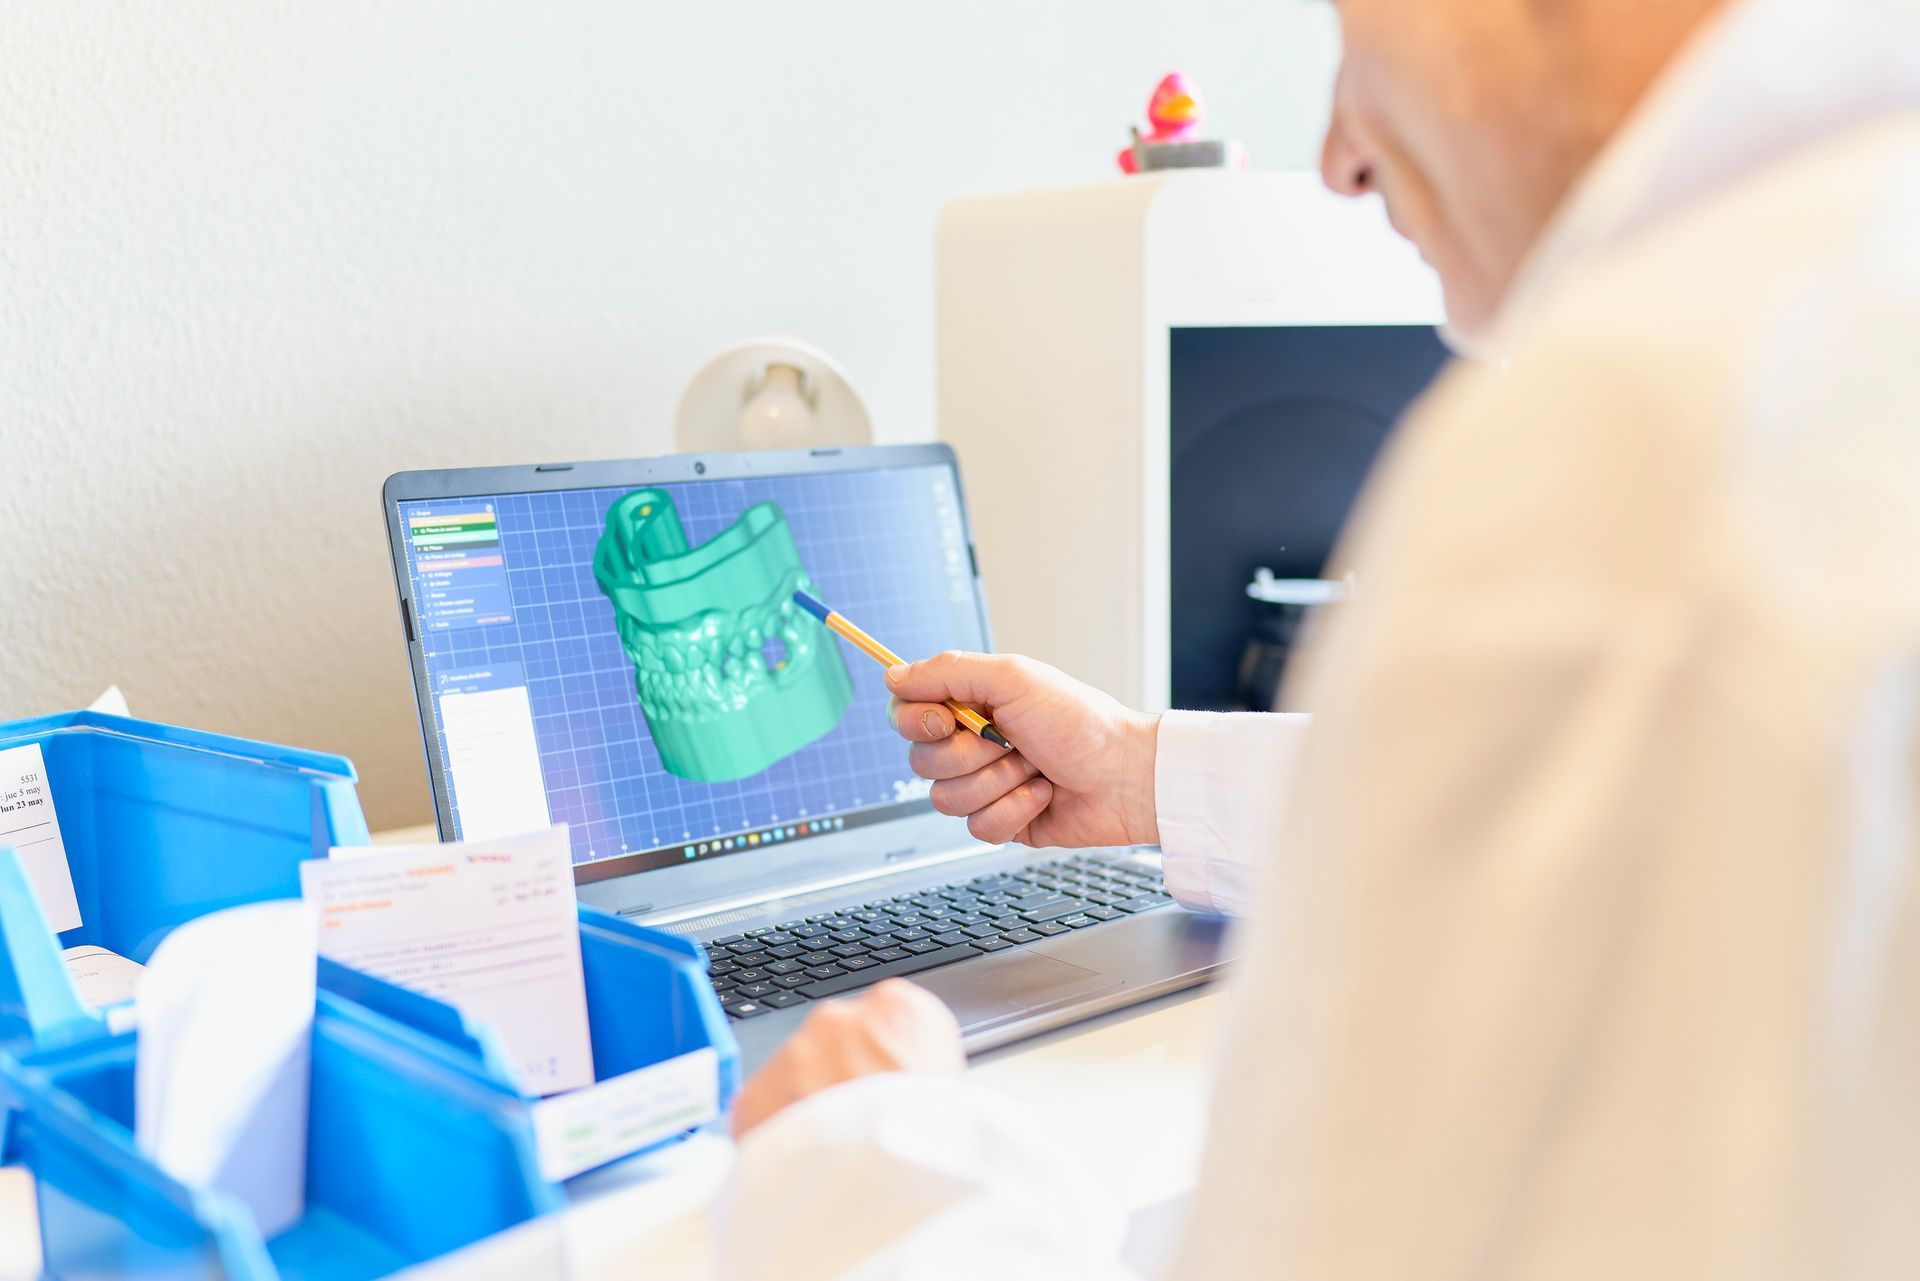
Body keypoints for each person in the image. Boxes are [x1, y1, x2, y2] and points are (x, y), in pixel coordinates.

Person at [720, 0, 1920, 1275]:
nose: (1341, 155)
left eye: (1358, 32)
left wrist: (871, 1166)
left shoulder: (1648, 441)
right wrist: (1141, 769)